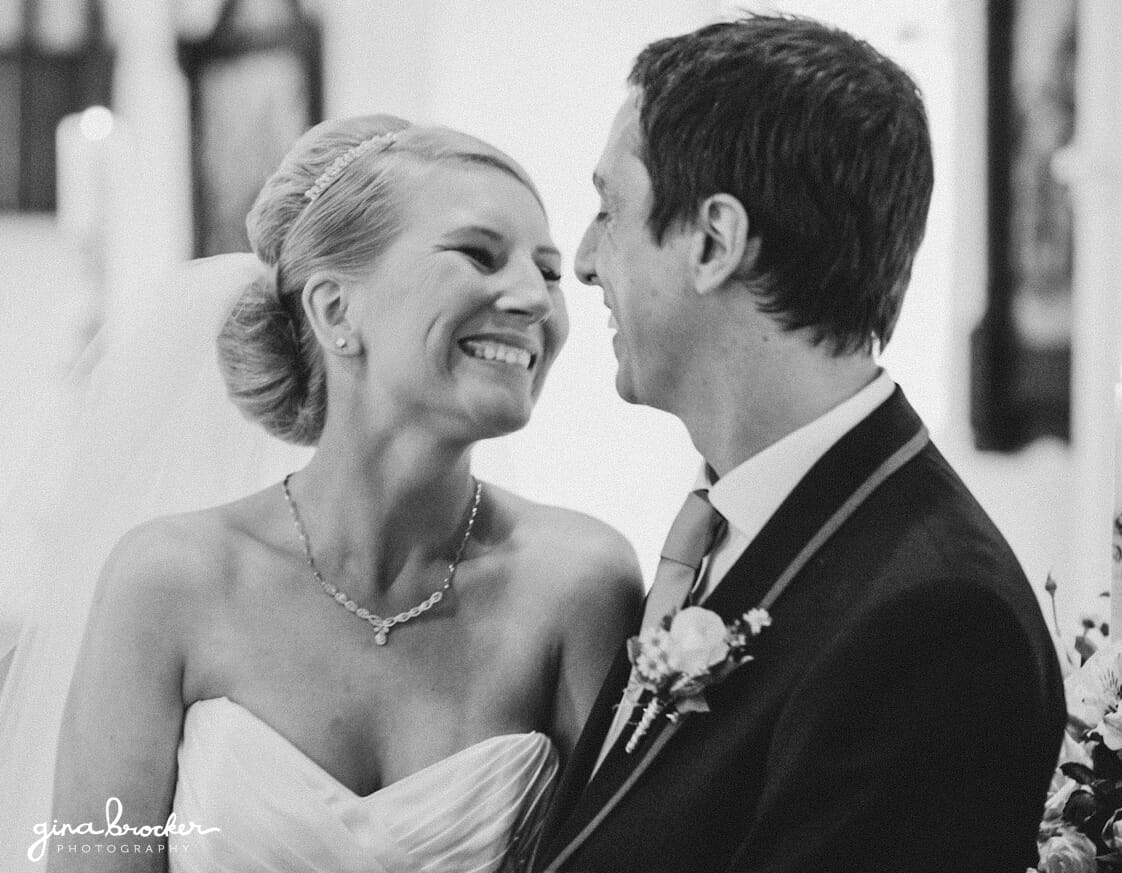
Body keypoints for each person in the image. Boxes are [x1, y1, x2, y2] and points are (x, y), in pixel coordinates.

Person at [6, 115, 642, 873]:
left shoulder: (581, 585)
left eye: (549, 272)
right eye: (479, 254)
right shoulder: (168, 583)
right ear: (337, 310)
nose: (535, 299)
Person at [533, 15, 1066, 873]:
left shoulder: (935, 623)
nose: (588, 260)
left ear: (714, 240)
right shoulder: (737, 526)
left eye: (610, 209)